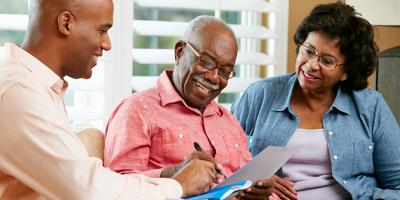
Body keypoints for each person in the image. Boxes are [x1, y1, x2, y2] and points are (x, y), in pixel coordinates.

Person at [0, 0, 220, 199]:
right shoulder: (17, 91)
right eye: (102, 30)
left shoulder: (33, 84)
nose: (107, 44)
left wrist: (171, 177)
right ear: (66, 23)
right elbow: (88, 190)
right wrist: (178, 185)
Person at [103, 16, 297, 200]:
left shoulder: (228, 121)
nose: (213, 78)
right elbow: (118, 188)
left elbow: (246, 185)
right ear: (179, 52)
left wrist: (260, 193)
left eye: (225, 71)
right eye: (206, 62)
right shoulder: (137, 111)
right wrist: (175, 173)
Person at [231, 1, 400, 200]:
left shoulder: (370, 106)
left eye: (327, 61)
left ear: (347, 72)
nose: (311, 65)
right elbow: (224, 165)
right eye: (308, 51)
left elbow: (396, 183)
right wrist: (253, 181)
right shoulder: (260, 95)